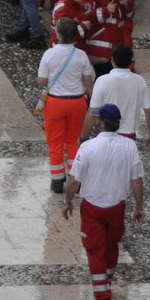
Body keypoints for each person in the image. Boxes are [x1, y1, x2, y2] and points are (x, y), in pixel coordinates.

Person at [62, 102, 145, 300]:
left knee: (94, 250)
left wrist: (68, 201)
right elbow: (137, 181)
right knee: (111, 247)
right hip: (118, 206)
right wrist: (139, 206)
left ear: (100, 122)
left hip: (93, 208)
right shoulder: (129, 146)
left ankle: (102, 297)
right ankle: (105, 283)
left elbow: (73, 181)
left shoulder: (88, 147)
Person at [38, 18, 94, 192]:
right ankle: (74, 178)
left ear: (58, 34)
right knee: (73, 140)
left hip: (55, 102)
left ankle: (57, 180)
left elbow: (42, 82)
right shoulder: (81, 55)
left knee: (55, 141)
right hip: (77, 102)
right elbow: (88, 82)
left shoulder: (49, 54)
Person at [84, 45, 150, 145]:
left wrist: (83, 137)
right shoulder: (139, 81)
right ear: (130, 61)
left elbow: (93, 113)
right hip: (128, 137)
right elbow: (149, 111)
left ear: (112, 59)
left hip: (104, 136)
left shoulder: (102, 81)